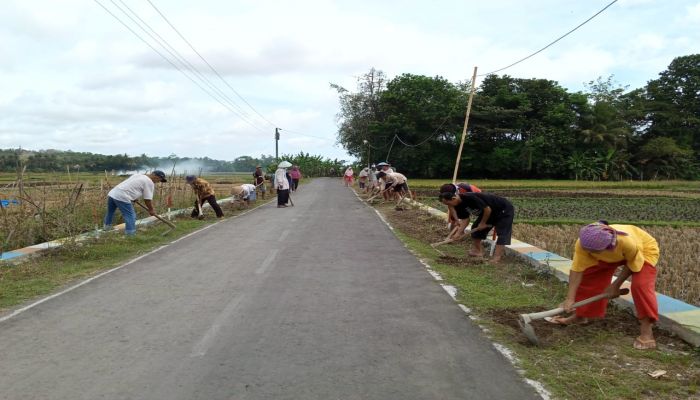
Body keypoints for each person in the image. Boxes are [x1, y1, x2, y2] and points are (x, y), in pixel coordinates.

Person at [547, 221, 660, 350]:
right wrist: (570, 298)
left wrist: (615, 285)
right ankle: (580, 316)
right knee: (589, 276)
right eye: (587, 251)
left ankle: (647, 331)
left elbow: (633, 264)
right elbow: (577, 270)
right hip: (610, 253)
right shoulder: (583, 243)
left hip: (643, 251)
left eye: (592, 252)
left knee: (640, 286)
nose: (588, 254)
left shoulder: (626, 242)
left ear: (606, 247)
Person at [438, 191, 515, 263]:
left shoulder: (469, 197)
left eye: (448, 203)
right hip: (490, 212)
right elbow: (465, 219)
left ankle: (496, 257)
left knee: (502, 233)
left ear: (453, 198)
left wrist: (482, 223)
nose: (449, 206)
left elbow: (487, 209)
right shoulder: (458, 205)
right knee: (475, 228)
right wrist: (458, 233)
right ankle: (478, 251)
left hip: (502, 208)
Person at [104, 170, 167, 235]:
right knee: (130, 215)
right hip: (122, 196)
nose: (158, 181)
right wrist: (151, 210)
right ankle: (130, 234)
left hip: (113, 193)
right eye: (159, 179)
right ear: (154, 175)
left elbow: (131, 186)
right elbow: (147, 199)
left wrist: (134, 197)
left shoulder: (138, 175)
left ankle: (107, 228)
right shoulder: (149, 182)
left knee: (110, 212)